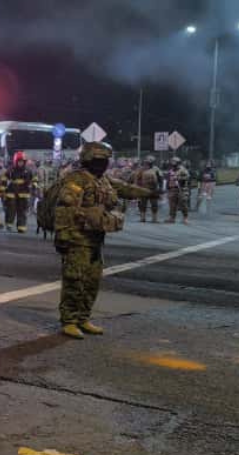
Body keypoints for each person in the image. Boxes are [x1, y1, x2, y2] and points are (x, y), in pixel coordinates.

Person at [54, 142, 149, 339]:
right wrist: (63, 237)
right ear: (88, 160)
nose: (104, 163)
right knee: (75, 280)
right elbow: (64, 210)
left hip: (96, 239)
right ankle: (69, 321)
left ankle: (83, 318)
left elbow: (125, 189)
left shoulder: (102, 180)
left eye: (106, 160)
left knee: (92, 281)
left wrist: (150, 194)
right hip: (77, 239)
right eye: (99, 160)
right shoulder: (76, 180)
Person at [3, 151, 34, 233]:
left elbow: (34, 179)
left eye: (22, 162)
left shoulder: (28, 171)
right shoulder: (10, 170)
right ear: (15, 161)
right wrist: (2, 191)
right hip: (12, 193)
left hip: (23, 194)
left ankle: (21, 227)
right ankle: (9, 225)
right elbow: (4, 180)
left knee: (22, 211)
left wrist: (34, 186)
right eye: (19, 161)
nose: (21, 163)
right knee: (11, 210)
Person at [163, 157, 192, 224]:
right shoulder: (170, 170)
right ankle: (172, 218)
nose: (173, 163)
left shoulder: (183, 170)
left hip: (181, 189)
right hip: (172, 189)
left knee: (183, 204)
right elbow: (168, 179)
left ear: (178, 162)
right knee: (172, 205)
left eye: (174, 162)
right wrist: (167, 188)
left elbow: (188, 177)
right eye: (172, 161)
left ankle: (185, 218)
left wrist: (179, 178)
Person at [133, 156, 163, 223]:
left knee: (154, 204)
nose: (148, 162)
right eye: (147, 161)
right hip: (143, 188)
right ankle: (142, 218)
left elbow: (160, 179)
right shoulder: (141, 169)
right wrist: (137, 187)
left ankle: (154, 218)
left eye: (150, 161)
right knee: (142, 204)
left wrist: (160, 188)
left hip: (153, 189)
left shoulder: (156, 169)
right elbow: (137, 179)